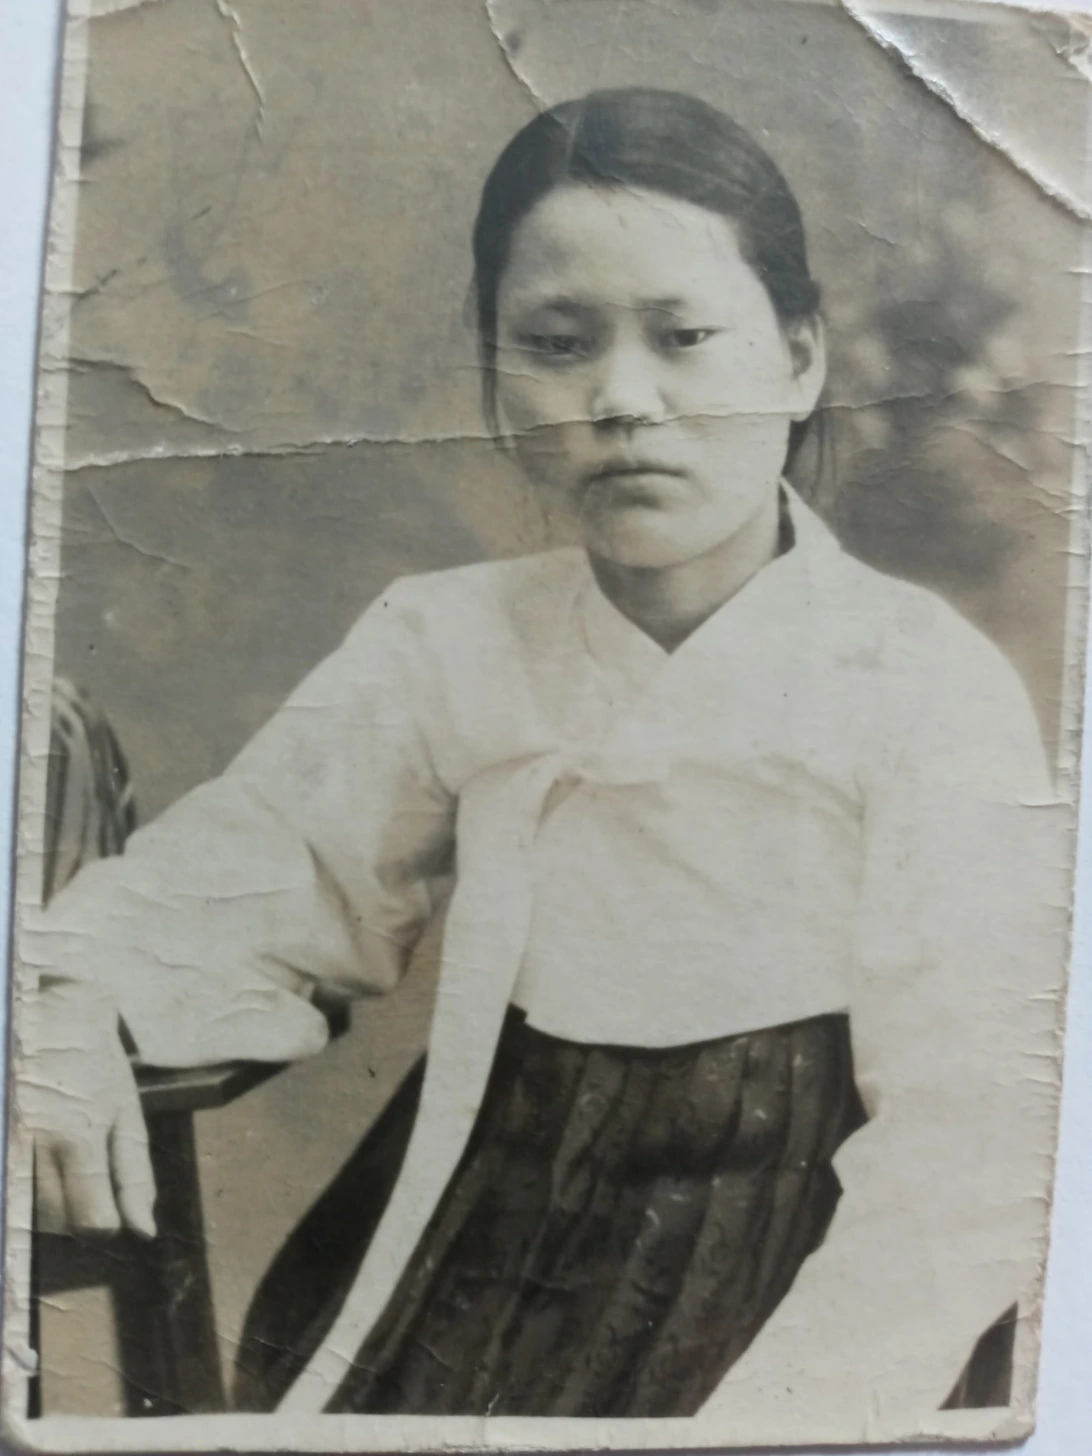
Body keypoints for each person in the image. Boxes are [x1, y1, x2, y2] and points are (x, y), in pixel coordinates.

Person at [24, 88, 1064, 1438]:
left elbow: (969, 1146)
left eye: (685, 339)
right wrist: (67, 996)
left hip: (779, 1272)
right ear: (495, 380)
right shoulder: (449, 639)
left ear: (801, 360)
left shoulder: (922, 684)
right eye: (557, 346)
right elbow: (260, 878)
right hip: (475, 1245)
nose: (622, 400)